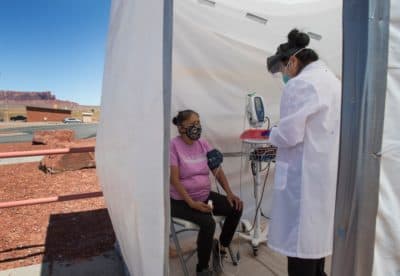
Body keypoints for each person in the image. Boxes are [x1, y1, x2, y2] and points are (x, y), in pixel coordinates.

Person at [266, 29, 341, 276]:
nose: (284, 75)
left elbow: (289, 135)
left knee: (299, 249)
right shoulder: (333, 81)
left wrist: (272, 132)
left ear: (294, 61)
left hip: (303, 182)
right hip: (324, 176)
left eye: (284, 68)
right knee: (315, 246)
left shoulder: (299, 85)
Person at [170, 109, 243, 276]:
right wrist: (191, 203)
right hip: (180, 201)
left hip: (204, 196)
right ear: (181, 128)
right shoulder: (173, 146)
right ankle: (202, 269)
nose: (197, 127)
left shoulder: (203, 144)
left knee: (236, 206)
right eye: (193, 124)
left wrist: (229, 193)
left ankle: (220, 248)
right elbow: (174, 179)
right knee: (208, 223)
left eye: (199, 123)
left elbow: (216, 169)